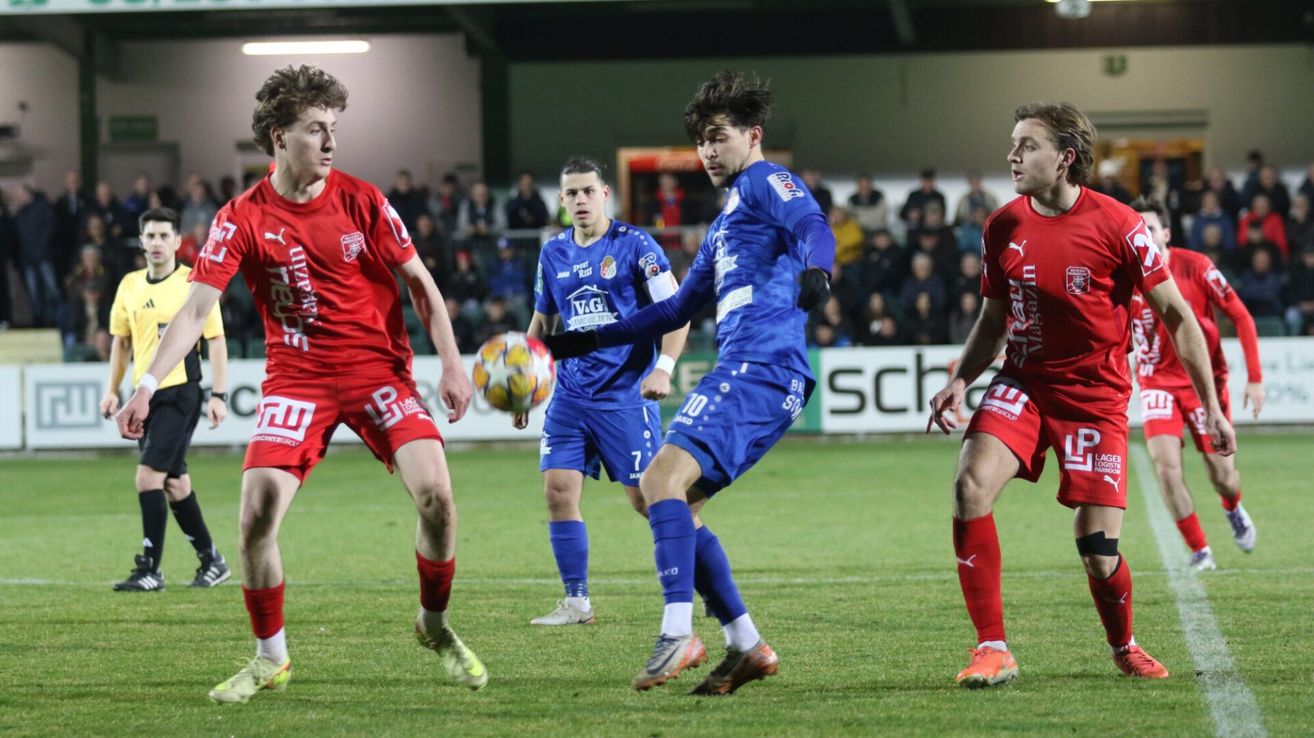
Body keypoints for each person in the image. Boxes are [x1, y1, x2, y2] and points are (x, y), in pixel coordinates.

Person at [114, 65, 487, 703]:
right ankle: (270, 658)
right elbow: (197, 308)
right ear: (279, 137)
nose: (331, 141)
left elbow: (421, 284)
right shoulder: (240, 218)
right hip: (298, 378)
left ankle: (433, 625)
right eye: (316, 129)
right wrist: (146, 382)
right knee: (256, 515)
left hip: (376, 371)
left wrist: (452, 362)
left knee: (439, 499)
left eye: (334, 128)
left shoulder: (365, 200)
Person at [543, 71, 836, 695]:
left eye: (718, 137)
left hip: (763, 364)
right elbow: (674, 310)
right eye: (701, 141)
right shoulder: (727, 221)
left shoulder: (762, 181)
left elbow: (812, 222)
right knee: (680, 505)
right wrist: (590, 338)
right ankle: (748, 644)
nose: (707, 151)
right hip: (752, 368)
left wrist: (821, 270)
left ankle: (679, 629)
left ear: (751, 136)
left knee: (658, 482)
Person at [927, 102, 1235, 688]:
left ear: (1066, 158)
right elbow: (993, 321)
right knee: (970, 483)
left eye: (1027, 145)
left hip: (1096, 395)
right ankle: (992, 648)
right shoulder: (1002, 226)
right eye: (1012, 143)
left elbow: (1178, 316)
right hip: (1024, 381)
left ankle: (1124, 645)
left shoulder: (1121, 226)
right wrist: (961, 379)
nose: (1012, 155)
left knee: (1097, 549)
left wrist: (1214, 406)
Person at [514, 157, 689, 626]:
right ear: (563, 199)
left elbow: (678, 312)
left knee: (647, 498)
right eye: (571, 193)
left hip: (625, 395)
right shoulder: (552, 253)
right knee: (557, 490)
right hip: (570, 394)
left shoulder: (636, 246)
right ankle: (577, 602)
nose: (580, 200)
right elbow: (544, 322)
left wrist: (665, 368)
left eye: (588, 191)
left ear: (605, 193)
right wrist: (527, 381)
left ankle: (702, 574)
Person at [99, 207, 232, 591]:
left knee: (148, 477)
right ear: (141, 241)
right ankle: (212, 560)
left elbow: (216, 340)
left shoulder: (194, 282)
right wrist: (112, 389)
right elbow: (121, 342)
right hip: (145, 396)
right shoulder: (129, 285)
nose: (157, 243)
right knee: (175, 484)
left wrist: (219, 394)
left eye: (164, 236)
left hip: (180, 392)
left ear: (178, 241)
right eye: (150, 236)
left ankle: (150, 569)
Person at [1127, 197, 1261, 571]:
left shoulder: (1197, 266)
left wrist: (1255, 378)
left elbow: (1241, 317)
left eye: (1149, 229)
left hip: (1205, 385)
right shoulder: (1124, 278)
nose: (1143, 236)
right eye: (1136, 230)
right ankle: (1200, 549)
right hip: (1156, 383)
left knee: (1223, 475)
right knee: (1166, 468)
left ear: (1166, 234)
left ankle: (1232, 507)